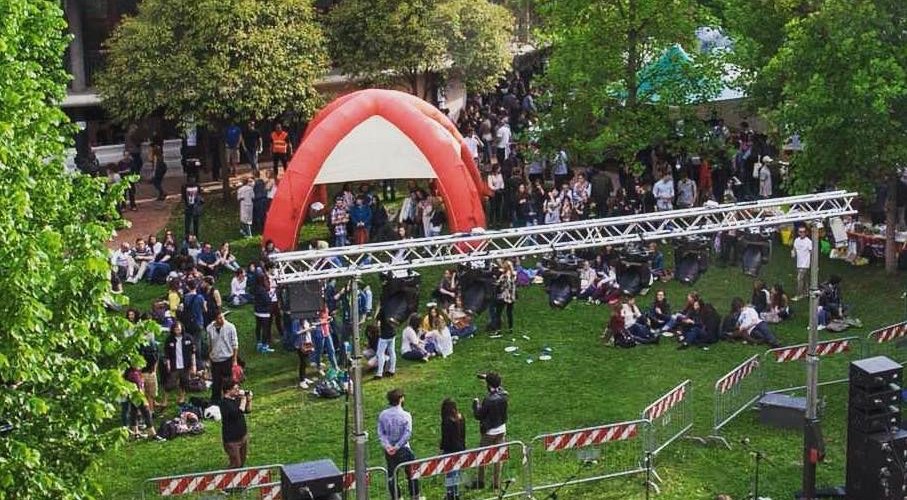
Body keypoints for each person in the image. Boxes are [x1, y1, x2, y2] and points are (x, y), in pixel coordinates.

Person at [377, 389, 422, 500]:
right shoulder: (406, 415)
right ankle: (415, 496)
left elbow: (381, 433)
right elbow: (407, 433)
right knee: (412, 473)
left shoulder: (383, 415)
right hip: (403, 449)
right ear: (401, 399)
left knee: (392, 477)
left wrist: (387, 446)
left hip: (389, 451)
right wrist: (397, 446)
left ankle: (397, 497)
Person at [472, 372, 508, 491]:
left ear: (489, 385)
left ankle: (480, 481)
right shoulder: (504, 395)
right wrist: (487, 377)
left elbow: (479, 415)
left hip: (489, 432)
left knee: (482, 455)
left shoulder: (488, 400)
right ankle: (496, 483)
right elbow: (498, 387)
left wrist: (476, 404)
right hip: (501, 429)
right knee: (498, 456)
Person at [207, 311, 239, 403]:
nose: (222, 320)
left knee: (228, 381)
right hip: (215, 359)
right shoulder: (209, 328)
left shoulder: (230, 327)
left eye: (222, 317)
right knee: (216, 382)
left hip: (227, 358)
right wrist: (209, 358)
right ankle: (215, 401)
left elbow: (235, 344)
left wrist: (234, 360)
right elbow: (209, 344)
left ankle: (230, 399)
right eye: (219, 318)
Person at [162, 321, 196, 407]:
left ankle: (182, 398)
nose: (177, 330)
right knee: (169, 384)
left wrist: (193, 365)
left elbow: (193, 353)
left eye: (179, 329)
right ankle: (165, 400)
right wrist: (168, 363)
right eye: (175, 329)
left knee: (184, 382)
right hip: (174, 365)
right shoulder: (169, 339)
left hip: (185, 365)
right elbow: (166, 353)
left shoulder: (188, 338)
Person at [219, 381, 250, 468]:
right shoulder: (224, 403)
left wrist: (249, 400)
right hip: (232, 440)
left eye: (238, 388)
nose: (238, 390)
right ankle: (226, 476)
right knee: (236, 464)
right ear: (228, 390)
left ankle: (240, 476)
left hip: (242, 436)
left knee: (242, 462)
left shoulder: (236, 399)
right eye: (235, 389)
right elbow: (237, 414)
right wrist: (243, 400)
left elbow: (248, 410)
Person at [440, 399, 467, 500]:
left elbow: (446, 438)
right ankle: (455, 493)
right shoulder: (461, 417)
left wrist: (442, 448)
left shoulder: (446, 421)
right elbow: (463, 434)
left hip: (450, 450)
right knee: (456, 472)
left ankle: (451, 493)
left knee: (450, 474)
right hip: (460, 448)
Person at [253, 272, 275, 353]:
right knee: (265, 329)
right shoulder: (262, 290)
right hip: (264, 312)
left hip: (257, 311)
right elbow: (267, 300)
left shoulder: (256, 288)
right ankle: (264, 346)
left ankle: (259, 343)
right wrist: (271, 296)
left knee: (258, 327)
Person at [792, 225, 812, 301]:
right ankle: (806, 292)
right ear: (798, 232)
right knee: (805, 278)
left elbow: (811, 252)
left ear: (806, 232)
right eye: (800, 232)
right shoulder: (796, 240)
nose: (802, 233)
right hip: (799, 263)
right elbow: (794, 249)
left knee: (799, 279)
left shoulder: (808, 242)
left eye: (804, 232)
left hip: (805, 263)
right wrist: (793, 253)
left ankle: (799, 295)